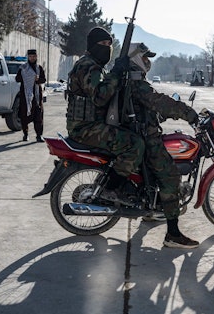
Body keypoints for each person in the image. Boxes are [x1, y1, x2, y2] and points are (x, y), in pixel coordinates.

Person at [122, 47, 199, 248]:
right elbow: (160, 102)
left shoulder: (132, 81)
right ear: (137, 59)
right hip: (146, 138)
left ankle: (152, 211)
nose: (148, 61)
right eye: (145, 57)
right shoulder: (137, 83)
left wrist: (164, 114)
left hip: (141, 132)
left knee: (157, 173)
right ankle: (173, 234)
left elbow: (150, 108)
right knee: (171, 177)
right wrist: (188, 113)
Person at [66, 27, 145, 206]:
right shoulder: (88, 66)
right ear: (93, 45)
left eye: (109, 44)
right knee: (135, 144)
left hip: (90, 125)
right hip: (85, 128)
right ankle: (111, 189)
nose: (107, 47)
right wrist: (116, 72)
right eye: (102, 44)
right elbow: (100, 97)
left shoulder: (93, 65)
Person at [15, 49, 46, 142]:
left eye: (34, 56)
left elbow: (43, 80)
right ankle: (25, 134)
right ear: (28, 57)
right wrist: (26, 77)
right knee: (24, 116)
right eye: (30, 56)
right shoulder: (23, 68)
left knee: (38, 116)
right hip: (25, 96)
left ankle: (39, 135)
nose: (32, 58)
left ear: (36, 57)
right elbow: (17, 79)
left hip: (36, 96)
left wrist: (37, 79)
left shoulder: (39, 68)